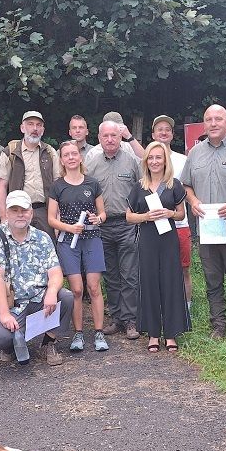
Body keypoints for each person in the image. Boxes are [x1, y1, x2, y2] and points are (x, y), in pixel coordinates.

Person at [0, 190, 73, 366]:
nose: (20, 214)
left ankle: (48, 343)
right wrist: (5, 314)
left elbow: (55, 272)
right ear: (6, 213)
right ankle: (10, 346)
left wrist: (52, 292)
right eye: (14, 210)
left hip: (38, 300)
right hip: (10, 304)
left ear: (31, 212)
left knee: (65, 297)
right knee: (1, 337)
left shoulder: (42, 237)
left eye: (24, 210)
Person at [181, 104, 226, 340]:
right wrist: (192, 200)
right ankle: (218, 325)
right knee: (212, 280)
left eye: (218, 119)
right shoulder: (195, 152)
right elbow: (186, 184)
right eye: (209, 119)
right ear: (204, 123)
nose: (213, 123)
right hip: (207, 229)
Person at [125, 142, 191, 352]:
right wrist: (146, 216)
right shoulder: (139, 186)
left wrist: (169, 213)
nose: (154, 161)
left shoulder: (174, 185)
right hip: (147, 239)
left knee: (171, 282)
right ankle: (153, 333)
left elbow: (181, 214)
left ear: (165, 160)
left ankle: (171, 334)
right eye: (150, 158)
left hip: (169, 239)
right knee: (150, 283)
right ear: (146, 161)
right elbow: (128, 216)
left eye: (158, 157)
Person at [48, 141, 109, 353]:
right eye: (67, 155)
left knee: (93, 287)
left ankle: (99, 332)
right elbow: (51, 219)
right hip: (68, 241)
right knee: (76, 289)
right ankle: (78, 333)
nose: (72, 157)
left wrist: (96, 219)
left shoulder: (92, 183)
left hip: (92, 239)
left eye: (75, 153)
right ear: (62, 160)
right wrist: (69, 227)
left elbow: (103, 214)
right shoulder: (57, 186)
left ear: (80, 157)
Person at [85, 120, 142, 339]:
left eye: (114, 136)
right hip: (102, 226)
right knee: (111, 275)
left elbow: (142, 188)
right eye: (106, 136)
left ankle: (130, 320)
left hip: (127, 224)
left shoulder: (131, 161)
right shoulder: (91, 162)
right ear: (99, 138)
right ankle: (116, 317)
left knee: (129, 274)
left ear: (120, 138)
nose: (110, 139)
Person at [152, 114, 193, 314]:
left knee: (183, 268)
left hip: (179, 223)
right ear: (153, 134)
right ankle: (162, 306)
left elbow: (188, 190)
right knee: (158, 269)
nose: (163, 132)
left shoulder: (183, 160)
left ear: (172, 134)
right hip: (154, 226)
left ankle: (186, 307)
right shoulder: (147, 161)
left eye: (167, 129)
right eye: (159, 129)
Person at [0, 111, 60, 237]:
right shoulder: (11, 152)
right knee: (17, 251)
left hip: (44, 212)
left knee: (45, 250)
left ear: (43, 130)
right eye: (30, 124)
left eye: (39, 125)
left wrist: (57, 216)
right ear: (22, 128)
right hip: (17, 211)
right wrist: (4, 217)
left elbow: (58, 185)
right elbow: (1, 186)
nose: (35, 128)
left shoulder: (50, 152)